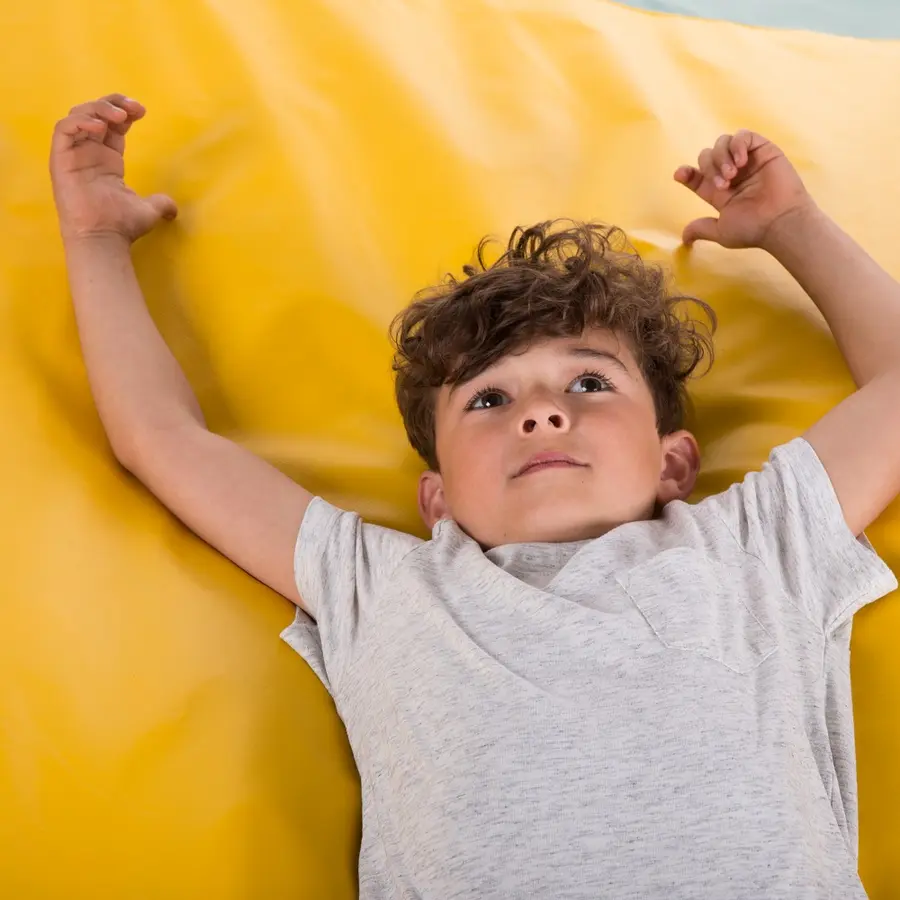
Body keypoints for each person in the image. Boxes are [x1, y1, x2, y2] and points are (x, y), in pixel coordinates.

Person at [50, 94, 900, 899]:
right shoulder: (382, 589)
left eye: (590, 383)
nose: (541, 413)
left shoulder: (753, 544)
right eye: (489, 401)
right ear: (438, 500)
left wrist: (794, 228)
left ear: (674, 463)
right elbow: (161, 439)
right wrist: (93, 235)